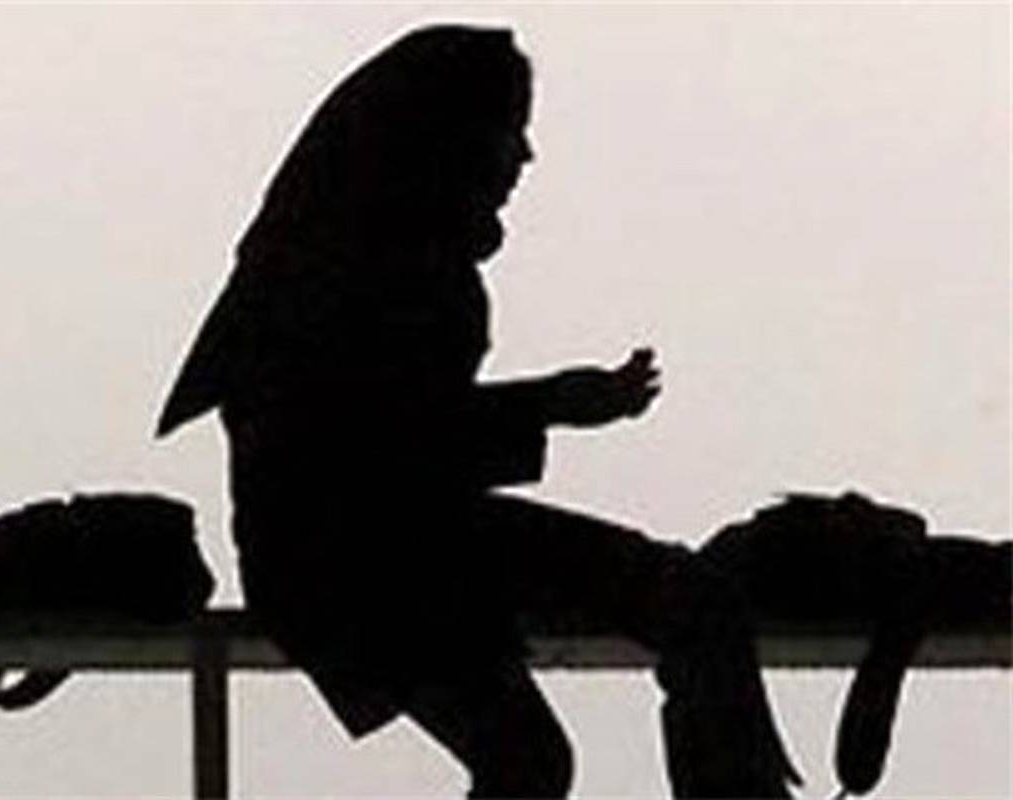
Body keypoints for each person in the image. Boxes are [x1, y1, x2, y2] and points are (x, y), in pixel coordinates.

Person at [157, 25, 800, 798]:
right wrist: (550, 404)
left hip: (371, 554)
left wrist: (545, 406)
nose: (524, 157)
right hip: (368, 561)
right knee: (667, 627)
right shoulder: (357, 267)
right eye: (509, 132)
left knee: (531, 755)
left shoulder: (351, 248)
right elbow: (381, 446)